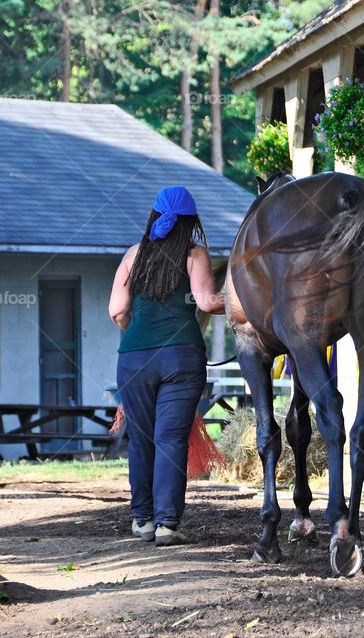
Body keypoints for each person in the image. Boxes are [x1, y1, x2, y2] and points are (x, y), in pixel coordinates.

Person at [108, 186, 225, 546]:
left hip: (133, 360)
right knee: (171, 438)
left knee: (141, 439)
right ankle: (167, 525)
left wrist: (140, 337)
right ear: (191, 221)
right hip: (181, 356)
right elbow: (206, 302)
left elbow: (117, 311)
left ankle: (142, 519)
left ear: (154, 215)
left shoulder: (132, 255)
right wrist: (244, 301)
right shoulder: (195, 254)